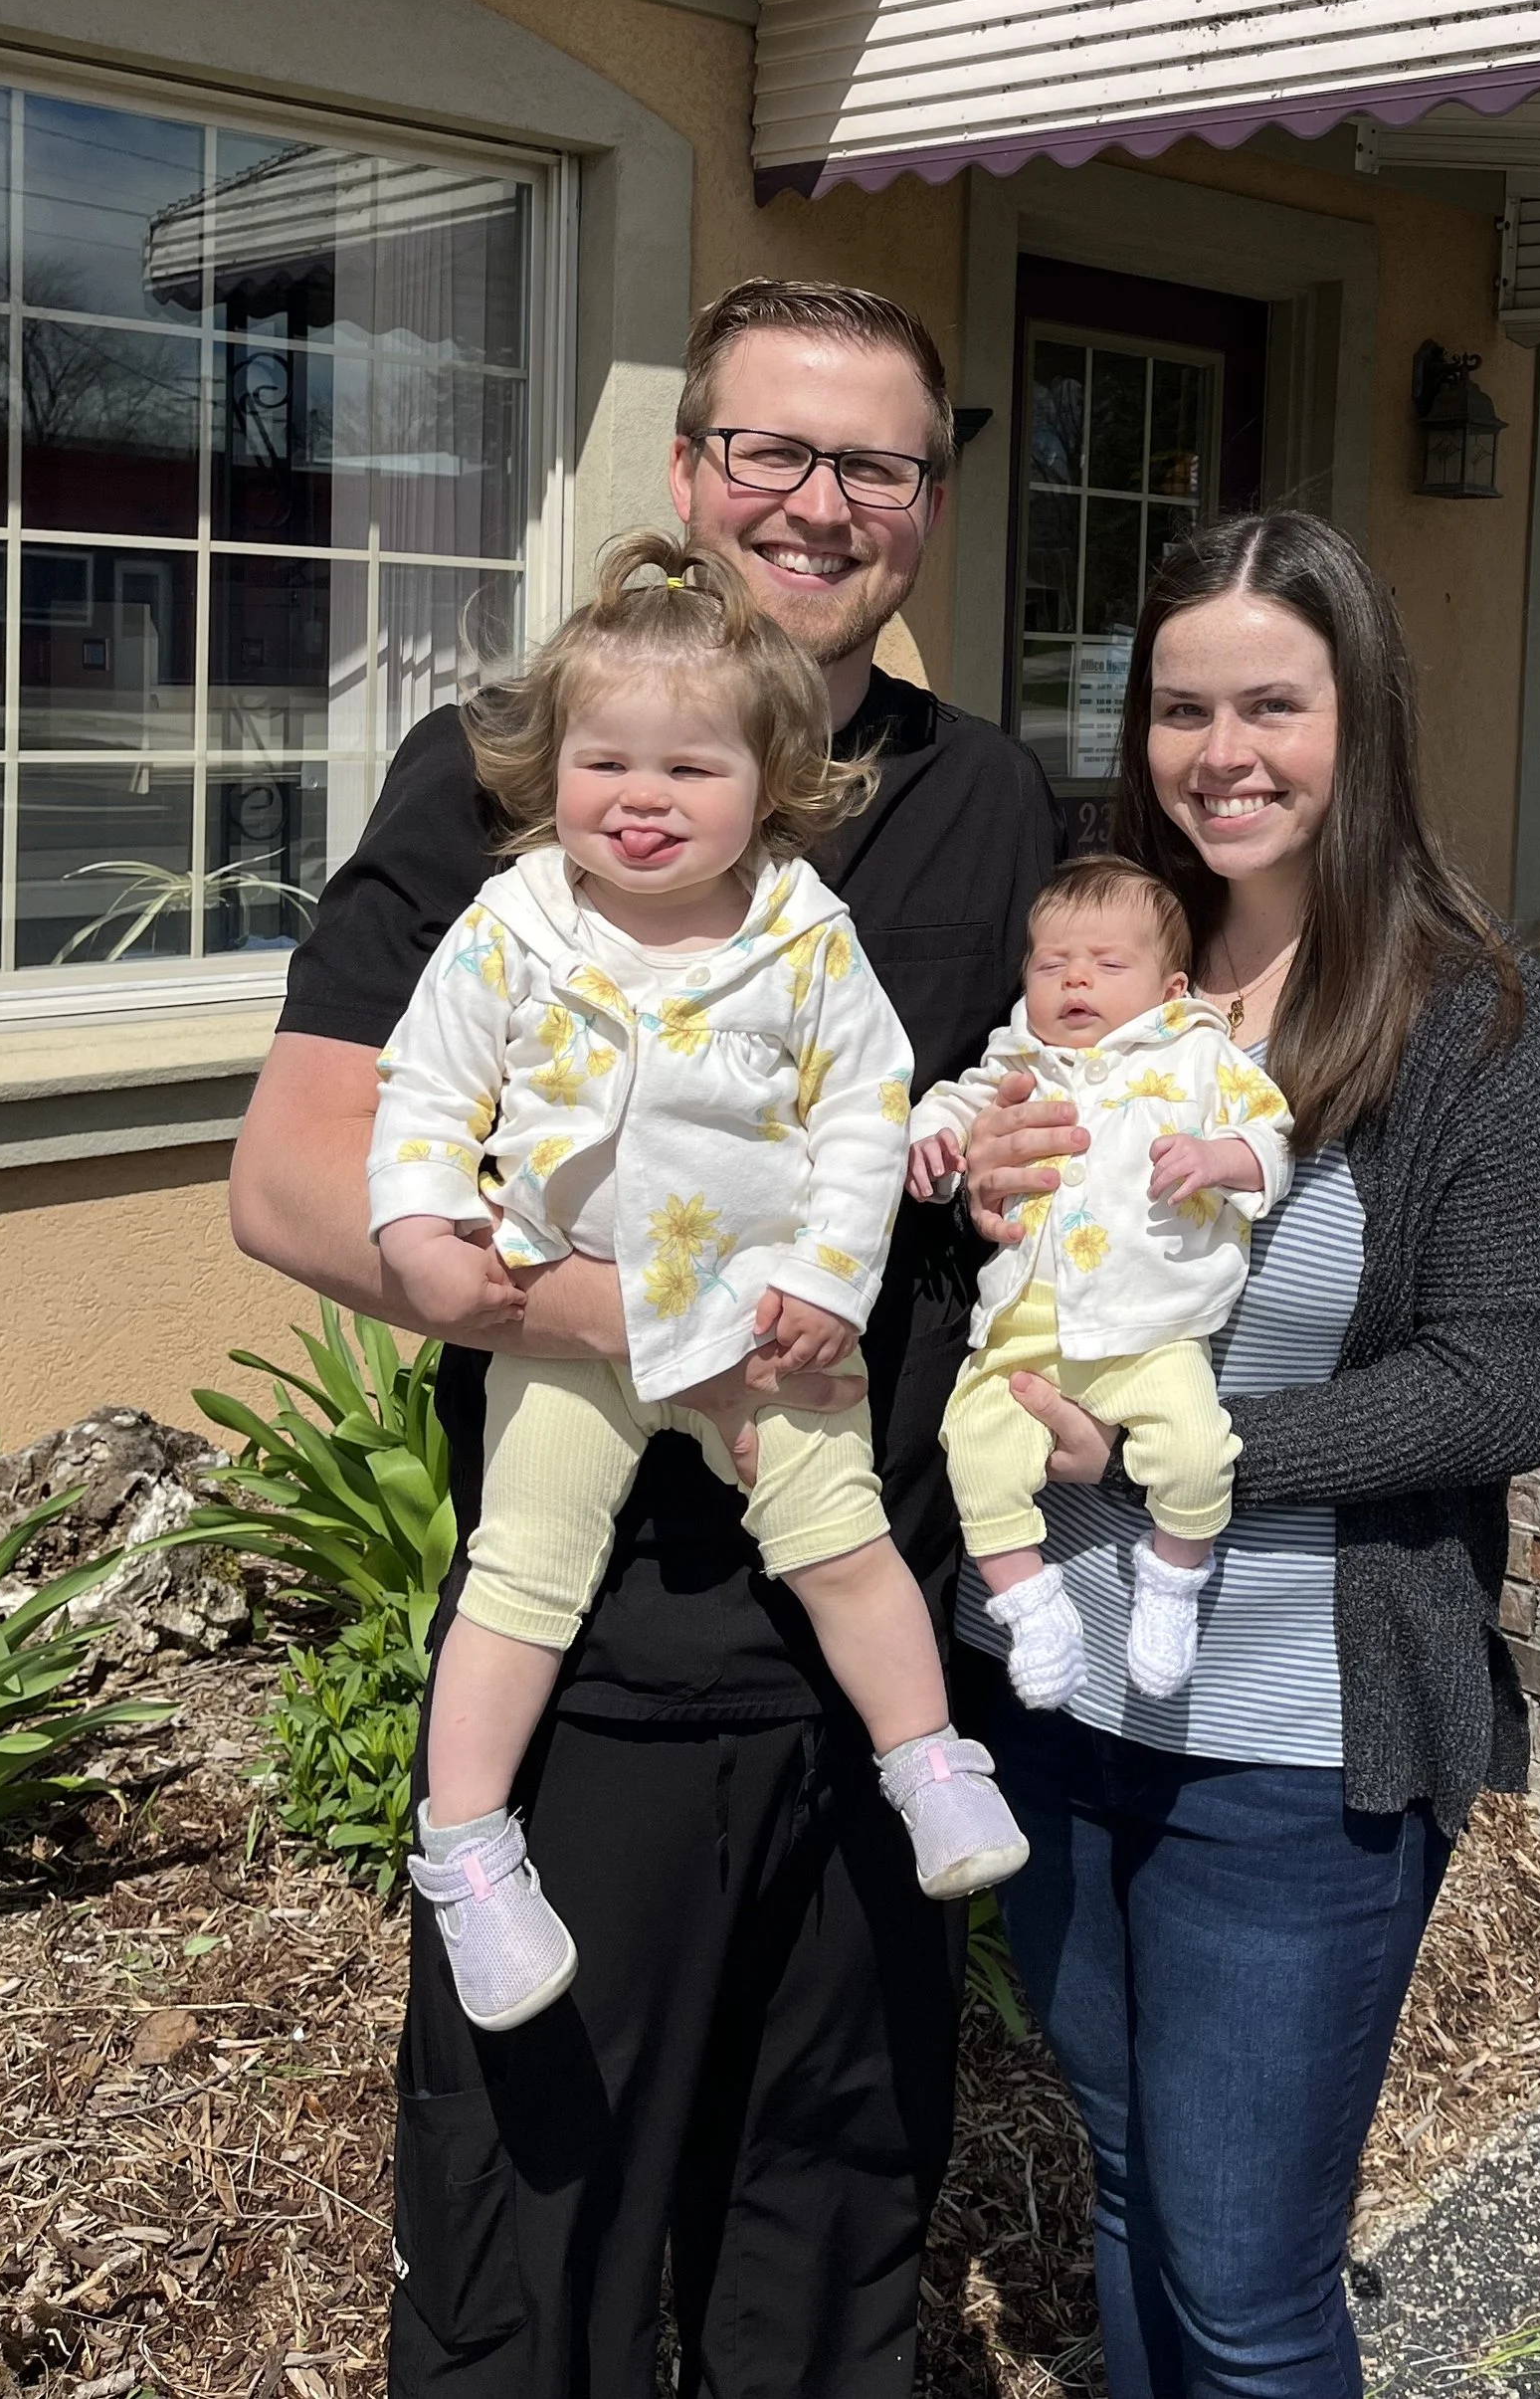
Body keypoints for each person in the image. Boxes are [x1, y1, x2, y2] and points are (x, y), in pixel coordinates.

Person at [229, 279, 1059, 2399]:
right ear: (687, 474)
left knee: (832, 2232)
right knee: (539, 2258)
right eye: (769, 449)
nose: (817, 501)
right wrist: (655, 1321)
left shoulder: (993, 804)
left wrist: (1042, 1156)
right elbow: (300, 1174)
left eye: (873, 463)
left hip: (872, 1643)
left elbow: (995, 1134)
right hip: (594, 1655)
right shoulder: (514, 768)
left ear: (927, 508)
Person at [951, 510, 1540, 2399]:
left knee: (1245, 2279)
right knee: (1130, 2190)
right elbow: (991, 1274)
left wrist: (1182, 1457)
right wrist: (970, 1192)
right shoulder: (1086, 990)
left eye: (1272, 704)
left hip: (1292, 1749)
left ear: (1356, 717)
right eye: (1182, 706)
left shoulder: (1467, 1019)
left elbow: (1492, 1387)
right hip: (1053, 1700)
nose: (1223, 750)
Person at [374, 532, 1026, 2032]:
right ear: (553, 772)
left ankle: (924, 1758)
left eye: (691, 770)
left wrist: (826, 1279)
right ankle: (467, 1850)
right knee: (522, 1574)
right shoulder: (516, 925)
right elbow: (423, 1090)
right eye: (606, 763)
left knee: (841, 1538)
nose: (643, 800)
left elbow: (864, 1118)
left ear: (772, 784)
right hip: (563, 1318)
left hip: (764, 1332)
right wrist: (419, 1223)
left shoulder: (802, 939)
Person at [909, 856, 1292, 1708]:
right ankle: (1029, 1604)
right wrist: (934, 1146)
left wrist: (1216, 1156)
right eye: (1052, 964)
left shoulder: (1198, 1053)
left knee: (1196, 1452)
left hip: (1149, 1327)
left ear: (1171, 984)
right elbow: (958, 1108)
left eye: (1109, 964)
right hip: (1023, 1330)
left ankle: (1172, 1582)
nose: (1076, 978)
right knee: (974, 1452)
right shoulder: (1019, 1057)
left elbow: (1273, 1138)